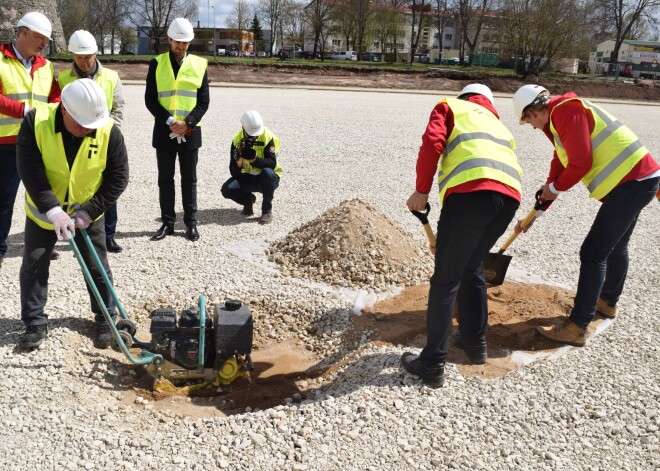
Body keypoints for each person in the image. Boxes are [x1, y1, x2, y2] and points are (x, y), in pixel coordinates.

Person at [512, 84, 660, 346]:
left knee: (593, 253)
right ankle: (607, 303)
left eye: (529, 121)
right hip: (640, 179)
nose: (533, 127)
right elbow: (560, 163)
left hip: (633, 182)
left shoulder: (565, 112)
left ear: (534, 111)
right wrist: (538, 210)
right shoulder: (560, 118)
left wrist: (554, 188)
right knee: (616, 245)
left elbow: (580, 163)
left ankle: (578, 326)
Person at [400, 84, 523, 388]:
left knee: (445, 280)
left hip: (471, 195)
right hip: (508, 200)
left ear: (464, 97)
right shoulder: (496, 123)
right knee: (472, 265)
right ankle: (474, 342)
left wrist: (422, 190)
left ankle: (432, 363)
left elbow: (432, 143)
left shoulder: (451, 107)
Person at [16, 78, 129, 350]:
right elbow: (29, 169)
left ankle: (105, 317)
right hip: (44, 214)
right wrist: (53, 210)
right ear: (64, 109)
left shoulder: (107, 130)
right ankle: (34, 321)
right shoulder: (36, 122)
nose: (88, 130)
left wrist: (90, 211)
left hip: (86, 213)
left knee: (97, 266)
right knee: (34, 264)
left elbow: (118, 177)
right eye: (82, 124)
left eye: (92, 124)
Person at [0, 11, 61, 269]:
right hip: (7, 142)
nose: (44, 44)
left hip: (39, 141)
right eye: (40, 37)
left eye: (46, 39)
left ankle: (44, 244)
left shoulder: (46, 66)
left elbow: (55, 98)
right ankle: (0, 248)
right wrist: (25, 111)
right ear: (23, 32)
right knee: (4, 199)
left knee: (43, 196)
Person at [58, 30, 126, 253]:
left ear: (96, 54)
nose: (84, 62)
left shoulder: (111, 78)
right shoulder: (63, 79)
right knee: (69, 184)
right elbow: (59, 112)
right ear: (72, 55)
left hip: (103, 141)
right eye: (79, 57)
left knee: (106, 185)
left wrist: (105, 133)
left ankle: (108, 234)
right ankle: (67, 227)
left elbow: (117, 110)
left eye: (88, 57)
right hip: (71, 141)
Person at [145, 17, 209, 242]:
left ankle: (191, 223)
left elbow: (203, 101)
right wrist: (171, 121)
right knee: (165, 179)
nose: (181, 46)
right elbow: (150, 100)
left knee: (189, 180)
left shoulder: (200, 65)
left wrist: (188, 122)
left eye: (185, 43)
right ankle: (167, 223)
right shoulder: (157, 63)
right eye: (177, 42)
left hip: (190, 132)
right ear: (169, 40)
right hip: (165, 131)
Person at [221, 110, 282, 224]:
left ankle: (266, 211)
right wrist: (238, 163)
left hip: (268, 180)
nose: (254, 137)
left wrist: (254, 160)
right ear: (243, 128)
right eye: (251, 134)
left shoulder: (268, 136)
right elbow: (233, 171)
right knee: (227, 189)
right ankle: (248, 201)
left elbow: (272, 164)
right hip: (249, 177)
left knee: (268, 173)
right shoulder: (237, 140)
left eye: (256, 134)